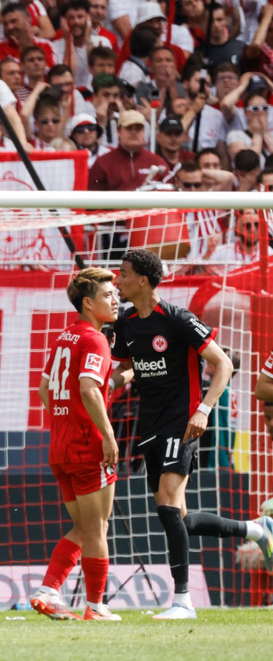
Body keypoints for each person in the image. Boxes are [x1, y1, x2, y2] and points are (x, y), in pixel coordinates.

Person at [112, 249, 273, 619]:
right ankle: (257, 530)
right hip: (150, 425)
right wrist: (106, 381)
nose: (118, 280)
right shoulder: (126, 322)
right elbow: (129, 368)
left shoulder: (177, 319)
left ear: (143, 280)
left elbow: (223, 364)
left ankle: (183, 601)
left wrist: (204, 409)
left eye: (124, 273)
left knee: (168, 503)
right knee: (177, 517)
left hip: (182, 421)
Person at [30, 268, 125, 622]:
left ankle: (48, 590)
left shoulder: (64, 337)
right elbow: (88, 389)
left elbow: (44, 390)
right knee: (98, 527)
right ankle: (96, 606)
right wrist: (108, 435)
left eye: (115, 294)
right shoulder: (96, 340)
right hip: (88, 446)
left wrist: (66, 420)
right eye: (107, 295)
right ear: (87, 303)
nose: (115, 300)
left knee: (84, 528)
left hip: (61, 446)